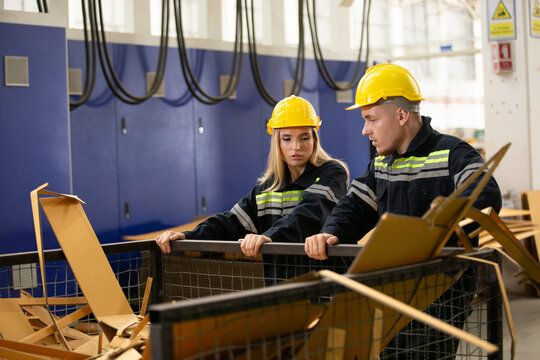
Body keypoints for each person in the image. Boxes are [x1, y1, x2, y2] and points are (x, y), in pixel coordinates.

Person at [305, 63, 502, 359]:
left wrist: (433, 238)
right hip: (394, 289)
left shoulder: (453, 154)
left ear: (401, 115)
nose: (365, 130)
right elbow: (356, 205)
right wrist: (330, 232)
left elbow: (484, 197)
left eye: (371, 119)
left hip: (442, 291)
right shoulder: (382, 163)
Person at [156, 95, 349, 282]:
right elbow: (230, 222)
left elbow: (310, 213)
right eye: (287, 139)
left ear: (314, 139)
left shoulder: (332, 173)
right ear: (277, 142)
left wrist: (268, 237)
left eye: (304, 137)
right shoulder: (267, 188)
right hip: (283, 292)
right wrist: (187, 236)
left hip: (329, 286)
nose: (296, 147)